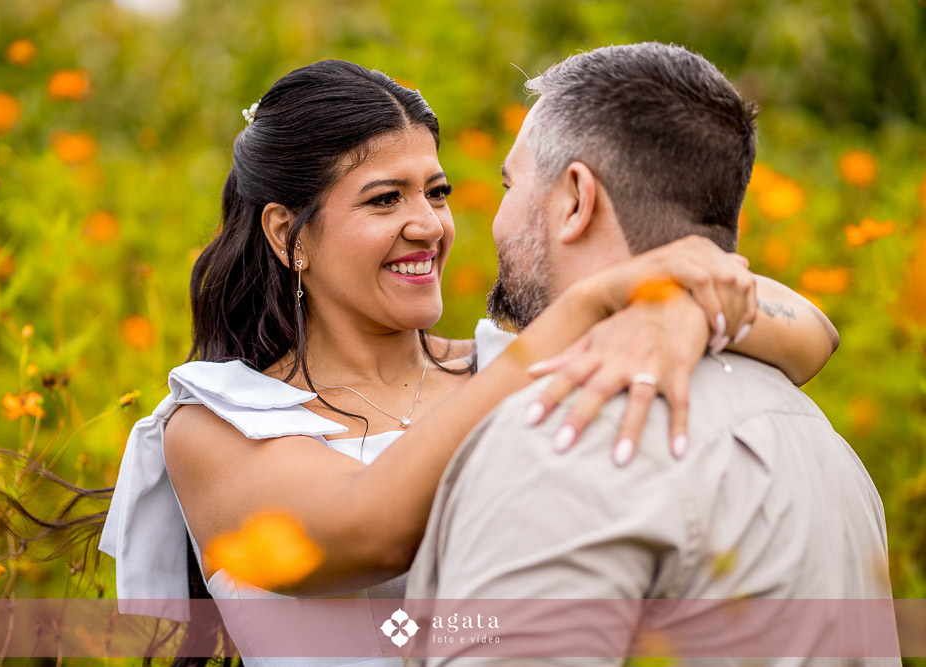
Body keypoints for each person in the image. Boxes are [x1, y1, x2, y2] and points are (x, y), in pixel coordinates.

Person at [97, 59, 841, 666]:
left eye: (438, 191)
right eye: (385, 199)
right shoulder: (215, 425)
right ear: (288, 235)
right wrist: (588, 310)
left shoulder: (505, 362)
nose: (428, 225)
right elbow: (368, 528)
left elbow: (811, 331)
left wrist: (676, 303)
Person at [403, 43, 897, 665]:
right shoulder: (823, 445)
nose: (495, 219)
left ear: (576, 200)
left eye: (509, 184)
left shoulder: (563, 440)